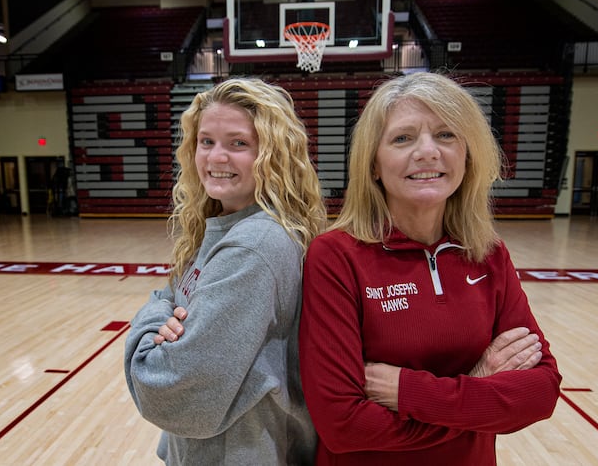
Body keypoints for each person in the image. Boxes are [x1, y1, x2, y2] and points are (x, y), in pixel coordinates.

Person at [298, 72, 561, 464]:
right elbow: (343, 425)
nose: (427, 152)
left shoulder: (488, 255)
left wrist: (408, 392)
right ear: (373, 163)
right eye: (403, 138)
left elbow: (541, 392)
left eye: (446, 135)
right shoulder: (336, 256)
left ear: (468, 155)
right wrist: (478, 390)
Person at [124, 78, 326, 465]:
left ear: (272, 154)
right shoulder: (225, 225)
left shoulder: (252, 247)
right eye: (206, 141)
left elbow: (170, 388)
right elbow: (173, 299)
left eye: (238, 143)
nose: (217, 157)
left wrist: (152, 317)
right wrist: (167, 310)